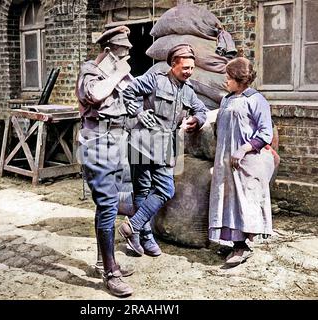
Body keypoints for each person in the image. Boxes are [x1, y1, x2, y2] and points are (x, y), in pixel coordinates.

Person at [118, 44, 208, 257]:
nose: (189, 72)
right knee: (142, 190)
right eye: (185, 67)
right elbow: (128, 91)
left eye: (192, 68)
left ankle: (133, 227)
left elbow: (201, 109)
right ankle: (144, 237)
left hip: (165, 147)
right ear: (173, 65)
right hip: (140, 143)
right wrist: (138, 112)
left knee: (165, 189)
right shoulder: (154, 80)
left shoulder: (188, 91)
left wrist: (197, 119)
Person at [75, 25, 135, 297]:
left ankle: (103, 262)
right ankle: (111, 272)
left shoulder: (116, 75)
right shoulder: (91, 71)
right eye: (123, 53)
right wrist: (119, 73)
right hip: (96, 144)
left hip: (116, 143)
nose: (126, 58)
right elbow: (94, 95)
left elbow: (129, 105)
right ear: (109, 51)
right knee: (109, 206)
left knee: (109, 204)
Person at [208, 57, 277, 268]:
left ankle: (242, 247)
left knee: (244, 201)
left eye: (229, 78)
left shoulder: (257, 100)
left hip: (246, 161)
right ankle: (233, 241)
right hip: (225, 160)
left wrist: (244, 148)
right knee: (227, 200)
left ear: (239, 79)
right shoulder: (227, 99)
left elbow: (265, 133)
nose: (226, 81)